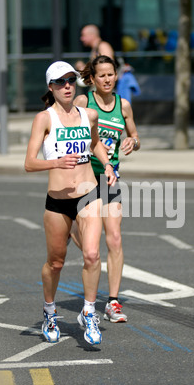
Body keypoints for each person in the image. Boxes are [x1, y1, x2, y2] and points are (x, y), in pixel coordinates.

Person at [24, 60, 116, 346]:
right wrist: (56, 162)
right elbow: (29, 163)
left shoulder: (88, 114)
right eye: (61, 82)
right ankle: (50, 312)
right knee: (55, 262)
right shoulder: (44, 119)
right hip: (58, 201)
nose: (67, 86)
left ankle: (88, 312)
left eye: (71, 81)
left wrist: (107, 165)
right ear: (50, 87)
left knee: (91, 255)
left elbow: (95, 143)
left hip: (89, 194)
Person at [73, 55, 140, 323]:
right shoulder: (82, 102)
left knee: (114, 238)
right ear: (92, 78)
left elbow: (135, 136)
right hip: (85, 179)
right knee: (92, 246)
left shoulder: (123, 105)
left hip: (109, 180)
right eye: (101, 75)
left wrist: (132, 143)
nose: (107, 79)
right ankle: (72, 229)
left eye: (111, 74)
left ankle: (113, 302)